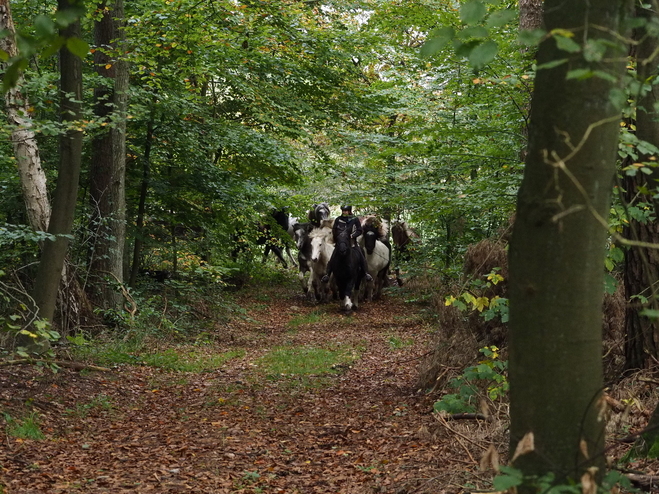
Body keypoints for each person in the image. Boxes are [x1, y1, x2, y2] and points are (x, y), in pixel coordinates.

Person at [321, 205, 373, 283]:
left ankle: (366, 273)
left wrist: (352, 235)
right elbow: (334, 230)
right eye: (343, 211)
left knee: (361, 254)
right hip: (340, 242)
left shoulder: (354, 219)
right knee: (333, 256)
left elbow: (359, 230)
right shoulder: (338, 219)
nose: (344, 212)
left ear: (349, 211)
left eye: (346, 211)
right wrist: (338, 239)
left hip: (352, 242)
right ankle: (327, 274)